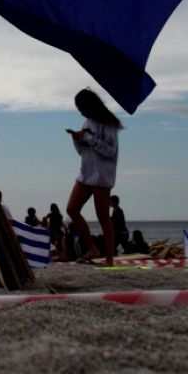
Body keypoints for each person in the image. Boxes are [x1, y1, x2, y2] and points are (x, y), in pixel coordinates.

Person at [64, 88, 121, 262]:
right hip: (85, 173)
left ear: (90, 106)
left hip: (101, 177)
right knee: (72, 210)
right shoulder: (87, 123)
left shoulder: (108, 123)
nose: (80, 112)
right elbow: (82, 152)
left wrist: (89, 139)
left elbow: (110, 151)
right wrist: (77, 140)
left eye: (81, 108)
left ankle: (110, 257)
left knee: (103, 217)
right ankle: (92, 248)